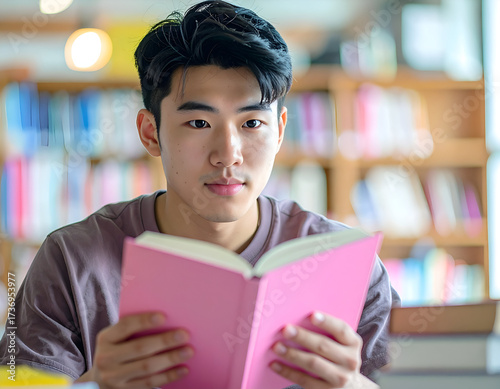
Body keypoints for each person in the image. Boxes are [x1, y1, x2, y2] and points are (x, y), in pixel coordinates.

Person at [0, 1, 400, 388]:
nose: (228, 154)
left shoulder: (350, 268)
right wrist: (96, 385)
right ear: (150, 132)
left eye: (252, 123)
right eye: (197, 121)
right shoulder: (70, 260)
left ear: (279, 130)